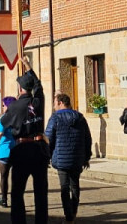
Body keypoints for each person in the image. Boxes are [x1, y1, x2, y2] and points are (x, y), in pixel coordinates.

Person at [0, 58, 49, 224]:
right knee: (41, 191)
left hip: (21, 148)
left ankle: (18, 221)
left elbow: (5, 123)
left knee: (17, 191)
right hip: (39, 148)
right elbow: (39, 85)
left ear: (20, 88)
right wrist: (29, 67)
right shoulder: (39, 101)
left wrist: (8, 112)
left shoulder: (13, 107)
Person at [46, 92, 92, 224]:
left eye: (55, 103)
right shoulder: (81, 118)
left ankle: (69, 217)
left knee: (64, 188)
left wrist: (47, 156)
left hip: (61, 159)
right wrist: (86, 157)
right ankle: (74, 211)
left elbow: (48, 139)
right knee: (75, 186)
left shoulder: (55, 118)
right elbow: (87, 139)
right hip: (77, 159)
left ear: (60, 103)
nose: (54, 106)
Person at [0, 96, 17, 208]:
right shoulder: (18, 117)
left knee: (4, 177)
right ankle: (17, 200)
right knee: (16, 178)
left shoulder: (4, 118)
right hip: (17, 150)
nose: (2, 107)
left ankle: (4, 200)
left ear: (7, 106)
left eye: (3, 105)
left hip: (5, 151)